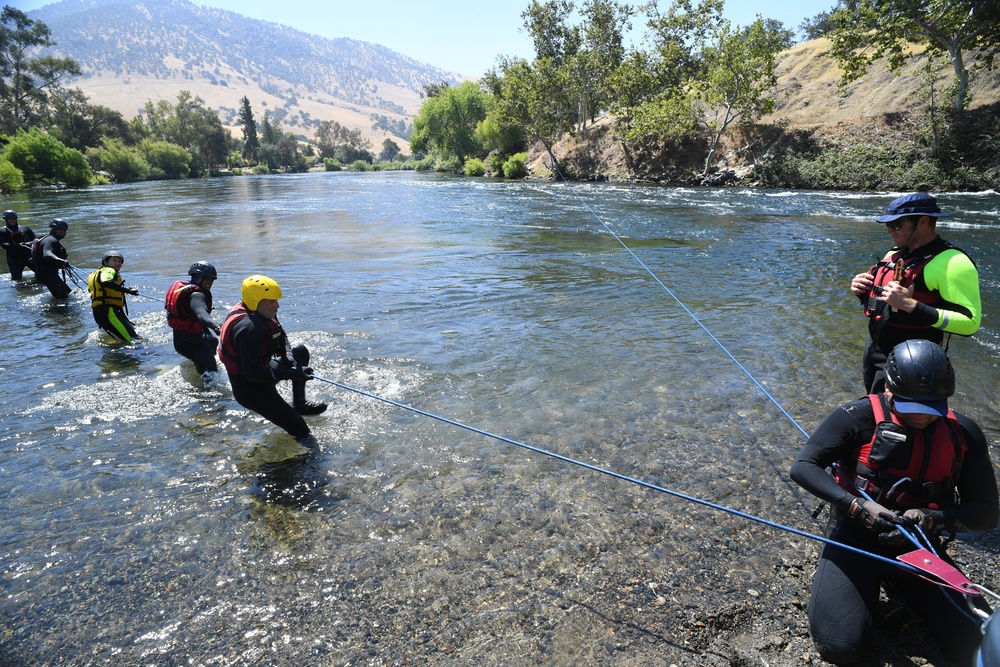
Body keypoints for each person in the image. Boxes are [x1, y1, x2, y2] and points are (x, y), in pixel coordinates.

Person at [790, 339, 998, 666]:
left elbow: (986, 513)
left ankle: (906, 586)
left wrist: (934, 519)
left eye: (931, 408)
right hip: (855, 537)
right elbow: (803, 467)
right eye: (912, 406)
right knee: (841, 646)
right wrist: (857, 506)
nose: (921, 415)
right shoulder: (856, 417)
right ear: (889, 388)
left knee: (979, 640)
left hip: (918, 546)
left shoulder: (964, 434)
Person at [850, 192, 981, 394]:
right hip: (876, 349)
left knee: (899, 421)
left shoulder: (954, 263)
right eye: (887, 225)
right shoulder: (894, 254)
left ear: (923, 221)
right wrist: (862, 290)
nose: (889, 231)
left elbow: (970, 324)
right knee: (874, 408)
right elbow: (885, 302)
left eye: (896, 225)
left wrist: (911, 305)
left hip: (915, 361)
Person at [219, 275, 327, 444]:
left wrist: (291, 361)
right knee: (301, 430)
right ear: (256, 300)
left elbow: (282, 337)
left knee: (300, 351)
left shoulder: (264, 312)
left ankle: (299, 404)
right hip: (251, 389)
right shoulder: (250, 328)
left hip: (263, 370)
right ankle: (290, 468)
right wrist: (293, 373)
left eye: (276, 300)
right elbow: (253, 372)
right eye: (272, 301)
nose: (277, 305)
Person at [166, 261, 221, 386]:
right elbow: (201, 313)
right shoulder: (196, 295)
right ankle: (209, 400)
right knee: (211, 372)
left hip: (182, 338)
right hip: (191, 344)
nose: (209, 283)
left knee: (212, 341)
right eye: (206, 278)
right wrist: (216, 325)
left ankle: (200, 366)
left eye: (212, 280)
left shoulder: (183, 288)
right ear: (196, 276)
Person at [87, 250, 139, 343]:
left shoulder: (96, 273)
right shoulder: (109, 270)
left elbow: (98, 290)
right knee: (133, 340)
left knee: (126, 335)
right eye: (114, 260)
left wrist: (123, 290)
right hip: (110, 312)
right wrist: (127, 290)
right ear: (106, 262)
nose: (118, 263)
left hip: (100, 313)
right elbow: (105, 281)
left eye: (120, 262)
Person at [30, 218, 72, 298]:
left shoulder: (46, 239)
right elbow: (47, 254)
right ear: (53, 229)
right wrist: (62, 261)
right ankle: (56, 310)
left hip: (46, 273)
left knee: (68, 293)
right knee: (62, 298)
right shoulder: (51, 241)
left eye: (64, 230)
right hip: (47, 275)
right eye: (60, 229)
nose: (62, 232)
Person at [0, 210, 35, 280]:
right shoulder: (2, 231)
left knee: (42, 274)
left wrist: (31, 244)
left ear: (16, 219)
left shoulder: (26, 229)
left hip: (29, 257)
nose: (12, 220)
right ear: (6, 220)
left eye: (13, 219)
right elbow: (3, 245)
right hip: (14, 259)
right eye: (9, 219)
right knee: (16, 280)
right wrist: (18, 245)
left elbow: (35, 240)